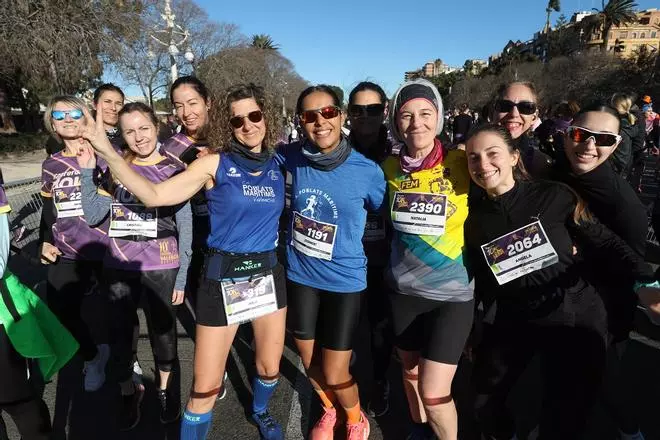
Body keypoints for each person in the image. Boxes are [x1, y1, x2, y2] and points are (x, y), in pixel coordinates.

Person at [81, 83, 288, 440]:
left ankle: (260, 410)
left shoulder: (281, 161)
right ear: (228, 125)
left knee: (269, 368)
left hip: (268, 275)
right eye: (237, 121)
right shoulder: (213, 162)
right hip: (224, 278)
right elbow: (156, 194)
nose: (248, 126)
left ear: (266, 117)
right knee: (205, 388)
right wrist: (109, 154)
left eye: (254, 116)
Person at [463, 123, 660, 440]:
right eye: (474, 158)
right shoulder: (475, 221)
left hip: (572, 312)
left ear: (514, 157)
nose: (483, 164)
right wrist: (477, 326)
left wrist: (645, 283)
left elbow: (607, 242)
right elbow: (485, 281)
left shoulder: (553, 196)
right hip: (517, 316)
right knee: (483, 400)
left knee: (564, 415)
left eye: (492, 154)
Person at [78, 102, 192, 430]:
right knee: (120, 336)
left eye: (144, 128)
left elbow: (185, 225)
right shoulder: (116, 166)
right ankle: (129, 391)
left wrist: (183, 274)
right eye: (130, 131)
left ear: (157, 127)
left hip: (162, 267)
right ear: (122, 135)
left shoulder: (173, 167)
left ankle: (166, 392)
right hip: (119, 268)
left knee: (163, 334)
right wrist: (87, 170)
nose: (138, 137)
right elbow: (94, 214)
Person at [282, 84, 385, 440]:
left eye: (327, 113)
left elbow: (379, 208)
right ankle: (329, 411)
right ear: (301, 122)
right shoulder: (290, 157)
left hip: (344, 280)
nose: (319, 122)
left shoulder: (367, 170)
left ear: (341, 116)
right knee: (309, 360)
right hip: (301, 275)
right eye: (309, 116)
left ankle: (355, 419)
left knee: (337, 370)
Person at [381, 79, 473, 440]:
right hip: (403, 292)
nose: (416, 123)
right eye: (406, 116)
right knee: (410, 373)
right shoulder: (387, 169)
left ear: (439, 118)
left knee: (435, 394)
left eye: (425, 113)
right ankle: (419, 430)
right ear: (395, 123)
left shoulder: (463, 161)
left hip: (453, 296)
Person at [555, 103, 649, 440]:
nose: (589, 146)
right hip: (558, 298)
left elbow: (629, 265)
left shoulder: (624, 205)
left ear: (617, 143)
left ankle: (630, 431)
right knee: (564, 376)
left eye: (603, 139)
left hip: (606, 306)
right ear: (567, 135)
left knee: (604, 375)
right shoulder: (557, 173)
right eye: (581, 134)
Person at [38, 96, 110, 393]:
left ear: (86, 118)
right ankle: (93, 356)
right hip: (67, 250)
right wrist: (44, 241)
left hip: (107, 249)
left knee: (118, 313)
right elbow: (48, 209)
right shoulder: (50, 165)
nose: (67, 119)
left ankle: (127, 367)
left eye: (74, 113)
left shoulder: (106, 157)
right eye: (59, 114)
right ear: (52, 123)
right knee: (60, 310)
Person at [346, 81, 394, 417]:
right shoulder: (334, 152)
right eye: (358, 110)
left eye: (373, 109)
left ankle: (380, 384)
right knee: (343, 329)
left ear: (385, 111)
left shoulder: (399, 155)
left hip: (385, 258)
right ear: (349, 113)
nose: (365, 116)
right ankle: (340, 389)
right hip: (344, 258)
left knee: (380, 329)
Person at [492, 81, 552, 176]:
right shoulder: (469, 156)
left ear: (534, 117)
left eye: (526, 107)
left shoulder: (541, 163)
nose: (514, 114)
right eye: (505, 105)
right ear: (493, 111)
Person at [609, 94, 644, 177]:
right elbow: (638, 143)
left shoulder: (616, 125)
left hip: (613, 166)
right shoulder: (631, 123)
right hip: (625, 164)